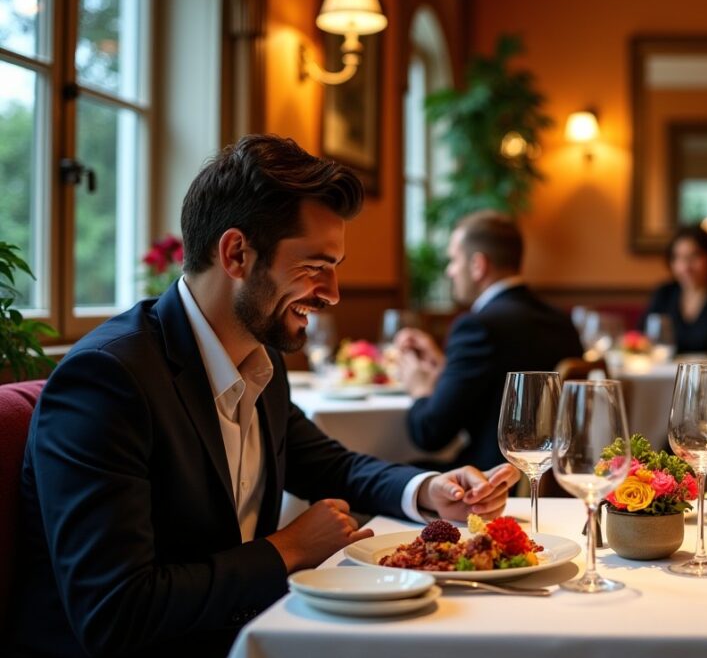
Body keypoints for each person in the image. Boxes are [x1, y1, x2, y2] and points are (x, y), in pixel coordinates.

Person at [5, 135, 518, 658]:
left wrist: (428, 489)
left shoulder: (259, 357)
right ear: (236, 254)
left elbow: (329, 465)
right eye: (316, 266)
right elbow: (115, 610)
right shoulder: (107, 381)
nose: (334, 292)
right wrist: (288, 550)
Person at [394, 211, 582, 470]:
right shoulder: (561, 321)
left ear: (478, 265)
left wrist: (419, 388)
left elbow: (430, 433)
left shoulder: (477, 327)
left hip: (492, 479)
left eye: (453, 260)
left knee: (392, 475)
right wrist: (444, 367)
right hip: (556, 478)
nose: (450, 271)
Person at [640, 225, 707, 355]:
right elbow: (642, 339)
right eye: (678, 257)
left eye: (695, 256)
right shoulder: (664, 293)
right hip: (665, 373)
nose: (686, 267)